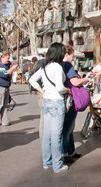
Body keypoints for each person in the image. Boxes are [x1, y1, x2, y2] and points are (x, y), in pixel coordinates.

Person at [29, 43, 70, 174]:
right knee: (56, 135)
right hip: (57, 102)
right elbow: (59, 87)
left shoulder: (44, 67)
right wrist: (67, 90)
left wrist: (43, 92)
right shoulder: (57, 67)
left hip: (47, 101)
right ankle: (57, 165)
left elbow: (32, 80)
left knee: (47, 134)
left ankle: (46, 162)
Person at [61, 45, 91, 164]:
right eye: (72, 56)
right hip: (70, 100)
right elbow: (75, 82)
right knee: (67, 128)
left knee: (68, 127)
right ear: (67, 54)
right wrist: (87, 79)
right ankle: (65, 153)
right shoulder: (67, 65)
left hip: (64, 99)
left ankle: (70, 151)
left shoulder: (59, 65)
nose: (73, 59)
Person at [0, 51, 18, 126]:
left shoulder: (7, 65)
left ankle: (5, 121)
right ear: (2, 57)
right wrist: (12, 69)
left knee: (5, 105)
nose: (8, 59)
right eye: (7, 58)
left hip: (5, 87)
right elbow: (4, 74)